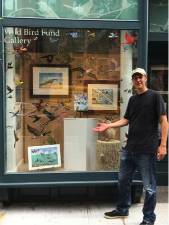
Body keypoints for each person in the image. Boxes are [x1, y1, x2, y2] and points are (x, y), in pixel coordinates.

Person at [93, 68, 168, 225]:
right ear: (132, 81)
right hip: (130, 148)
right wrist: (109, 126)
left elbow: (164, 121)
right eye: (135, 78)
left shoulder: (155, 97)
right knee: (123, 180)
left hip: (147, 149)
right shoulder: (133, 100)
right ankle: (122, 209)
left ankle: (148, 219)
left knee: (149, 187)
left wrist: (163, 145)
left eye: (140, 77)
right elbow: (126, 120)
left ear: (145, 78)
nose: (138, 80)